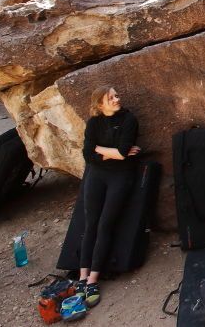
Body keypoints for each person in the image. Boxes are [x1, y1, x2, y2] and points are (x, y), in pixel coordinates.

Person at [77, 86, 142, 308]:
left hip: (120, 177)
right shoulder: (93, 123)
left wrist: (100, 149)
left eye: (116, 95)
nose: (117, 99)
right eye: (111, 97)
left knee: (105, 225)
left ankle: (93, 279)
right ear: (100, 104)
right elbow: (87, 155)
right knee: (91, 225)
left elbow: (124, 152)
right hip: (96, 176)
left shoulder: (129, 119)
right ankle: (82, 277)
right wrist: (111, 153)